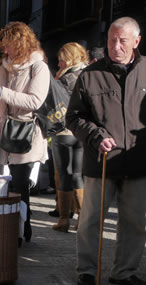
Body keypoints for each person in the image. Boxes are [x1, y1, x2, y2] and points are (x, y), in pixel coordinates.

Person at [66, 17, 146, 285]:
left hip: (138, 160)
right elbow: (74, 117)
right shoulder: (90, 74)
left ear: (137, 41)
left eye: (123, 40)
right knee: (90, 221)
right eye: (112, 39)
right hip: (101, 161)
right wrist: (95, 136)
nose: (116, 45)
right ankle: (87, 270)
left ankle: (124, 272)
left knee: (134, 222)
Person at [0, 21, 50, 242]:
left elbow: (35, 101)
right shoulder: (5, 66)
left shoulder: (38, 67)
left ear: (20, 43)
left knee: (20, 185)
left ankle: (23, 230)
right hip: (7, 131)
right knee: (10, 183)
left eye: (8, 45)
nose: (4, 50)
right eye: (2, 46)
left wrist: (3, 92)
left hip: (27, 132)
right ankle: (15, 228)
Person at [50, 42, 88, 232]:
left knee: (64, 174)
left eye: (61, 59)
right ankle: (82, 219)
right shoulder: (89, 75)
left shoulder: (64, 79)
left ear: (69, 58)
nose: (58, 63)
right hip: (81, 132)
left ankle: (64, 219)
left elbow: (51, 103)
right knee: (78, 174)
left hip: (63, 131)